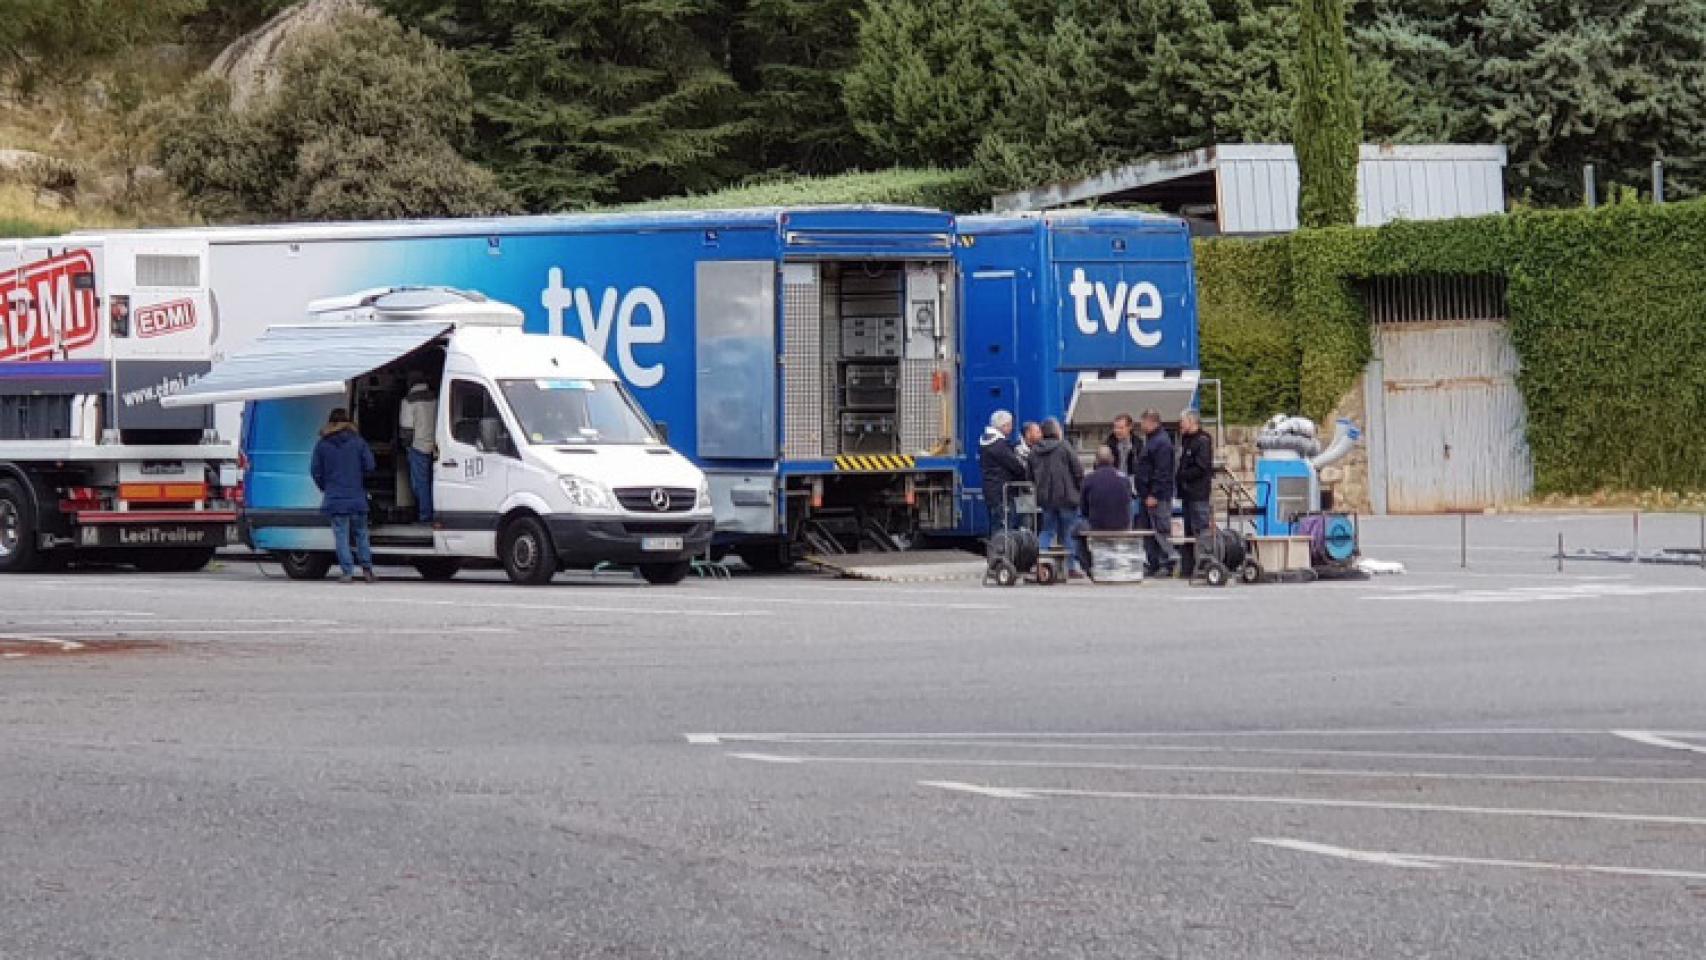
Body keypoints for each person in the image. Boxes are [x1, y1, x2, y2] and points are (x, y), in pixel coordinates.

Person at [311, 407, 377, 583]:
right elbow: (370, 466)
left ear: (330, 422)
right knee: (361, 534)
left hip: (335, 498)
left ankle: (347, 572)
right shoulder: (358, 442)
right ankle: (367, 570)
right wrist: (359, 479)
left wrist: (326, 487)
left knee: (341, 537)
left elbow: (315, 471)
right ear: (347, 422)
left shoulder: (322, 444)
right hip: (357, 498)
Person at [1030, 418, 1086, 578]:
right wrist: (1079, 489)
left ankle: (1041, 561)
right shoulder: (1064, 447)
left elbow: (1029, 475)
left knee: (1047, 530)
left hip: (1045, 499)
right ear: (1056, 431)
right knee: (1068, 532)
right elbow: (1078, 470)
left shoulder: (1034, 451)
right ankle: (1071, 566)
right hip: (1067, 497)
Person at [1133, 408, 1178, 577]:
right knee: (1149, 531)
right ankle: (1153, 563)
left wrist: (1154, 494)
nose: (1141, 425)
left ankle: (1168, 562)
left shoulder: (1161, 443)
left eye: (1143, 422)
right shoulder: (1152, 441)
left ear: (1152, 422)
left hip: (1157, 497)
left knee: (1161, 529)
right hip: (1146, 495)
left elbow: (1162, 471)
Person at [1175, 409, 1215, 573]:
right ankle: (1188, 567)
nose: (1180, 425)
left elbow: (1202, 467)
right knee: (1188, 532)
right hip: (1186, 494)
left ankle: (1205, 564)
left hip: (1198, 494)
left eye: (1183, 422)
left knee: (1201, 531)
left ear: (1192, 422)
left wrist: (1182, 475)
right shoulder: (1186, 440)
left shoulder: (1202, 441)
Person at [397, 372, 439, 523]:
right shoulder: (436, 398)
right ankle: (436, 512)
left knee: (419, 484)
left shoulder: (408, 401)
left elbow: (407, 429)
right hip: (437, 447)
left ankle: (425, 516)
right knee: (435, 481)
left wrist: (406, 447)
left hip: (418, 447)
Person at [978, 409, 1026, 531]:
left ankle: (997, 547)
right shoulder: (999, 445)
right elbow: (1015, 466)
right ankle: (1002, 549)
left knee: (996, 524)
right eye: (1010, 425)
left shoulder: (987, 442)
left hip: (992, 489)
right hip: (1001, 491)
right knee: (1003, 526)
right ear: (1003, 426)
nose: (1011, 428)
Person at [1080, 446, 1133, 534]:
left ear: (1096, 461)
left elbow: (1083, 508)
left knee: (1076, 528)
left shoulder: (1089, 479)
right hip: (1122, 525)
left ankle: (1081, 548)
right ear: (1112, 459)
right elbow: (1128, 499)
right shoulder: (1124, 478)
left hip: (1097, 526)